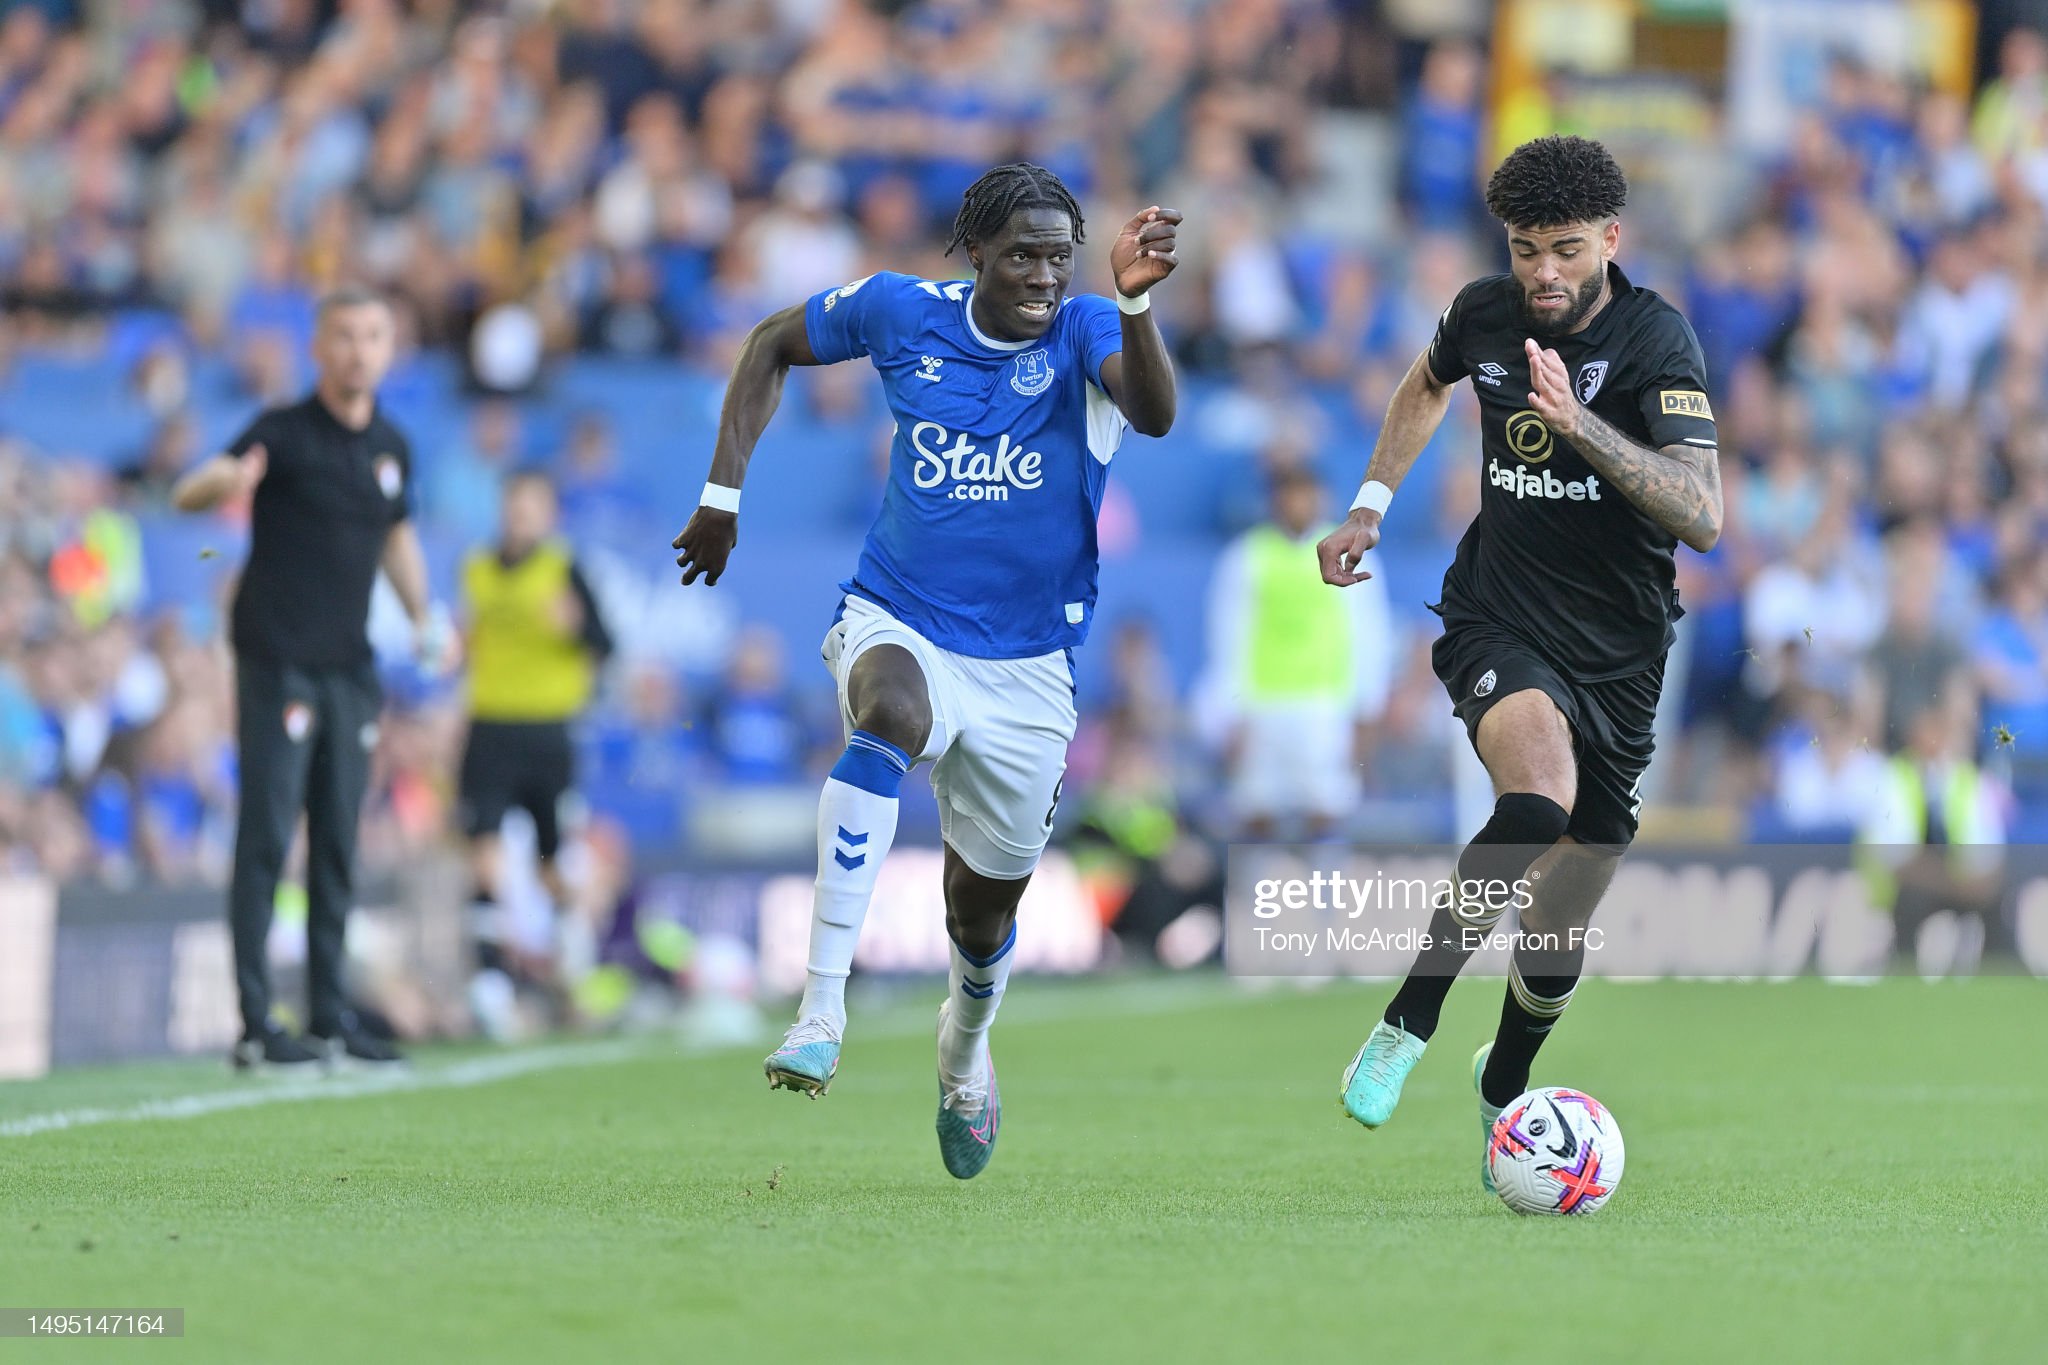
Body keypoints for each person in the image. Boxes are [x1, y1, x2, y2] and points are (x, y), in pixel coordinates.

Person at [673, 163, 1180, 1178]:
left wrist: (1130, 301)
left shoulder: (1086, 330)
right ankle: (820, 1007)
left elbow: (1156, 414)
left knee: (979, 915)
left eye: (1058, 257)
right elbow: (771, 341)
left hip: (1029, 664)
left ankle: (963, 1052)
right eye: (1024, 256)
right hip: (898, 612)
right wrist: (721, 495)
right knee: (886, 714)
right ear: (976, 255)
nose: (1043, 275)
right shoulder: (900, 312)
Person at [1315, 136, 1723, 1190]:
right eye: (1525, 248)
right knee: (1534, 800)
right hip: (1495, 616)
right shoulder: (1483, 313)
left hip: (1623, 656)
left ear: (1610, 242)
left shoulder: (1654, 342)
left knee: (1558, 920)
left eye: (1564, 249)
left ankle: (1503, 1080)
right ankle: (1406, 1020)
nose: (1541, 271)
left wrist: (1577, 426)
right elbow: (1421, 384)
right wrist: (1368, 505)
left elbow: (1703, 515)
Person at [173, 286, 452, 1072]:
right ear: (318, 349)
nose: (359, 350)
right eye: (345, 336)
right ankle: (257, 1021)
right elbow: (190, 488)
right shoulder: (282, 432)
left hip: (349, 669)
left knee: (336, 840)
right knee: (266, 832)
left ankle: (329, 1015)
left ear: (389, 350)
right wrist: (222, 486)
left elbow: (396, 538)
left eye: (373, 336)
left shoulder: (392, 447)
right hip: (278, 660)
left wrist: (426, 617)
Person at [458, 469, 613, 1036]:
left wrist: (575, 630)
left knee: (549, 862)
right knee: (484, 852)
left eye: (532, 506)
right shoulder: (475, 568)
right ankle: (491, 985)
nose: (521, 515)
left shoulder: (565, 569)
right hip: (489, 725)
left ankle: (568, 960)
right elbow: (470, 638)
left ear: (548, 514)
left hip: (548, 731)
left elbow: (605, 643)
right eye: (514, 504)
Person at [1200, 464, 1393, 839]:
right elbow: (1226, 637)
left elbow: (1370, 637)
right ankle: (1260, 893)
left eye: (1305, 493)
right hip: (1262, 705)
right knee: (1257, 813)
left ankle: (1320, 897)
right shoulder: (1246, 557)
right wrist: (1229, 709)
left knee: (1326, 812)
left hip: (1325, 705)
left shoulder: (1351, 553)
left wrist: (1366, 708)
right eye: (1288, 494)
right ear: (1274, 501)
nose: (1297, 503)